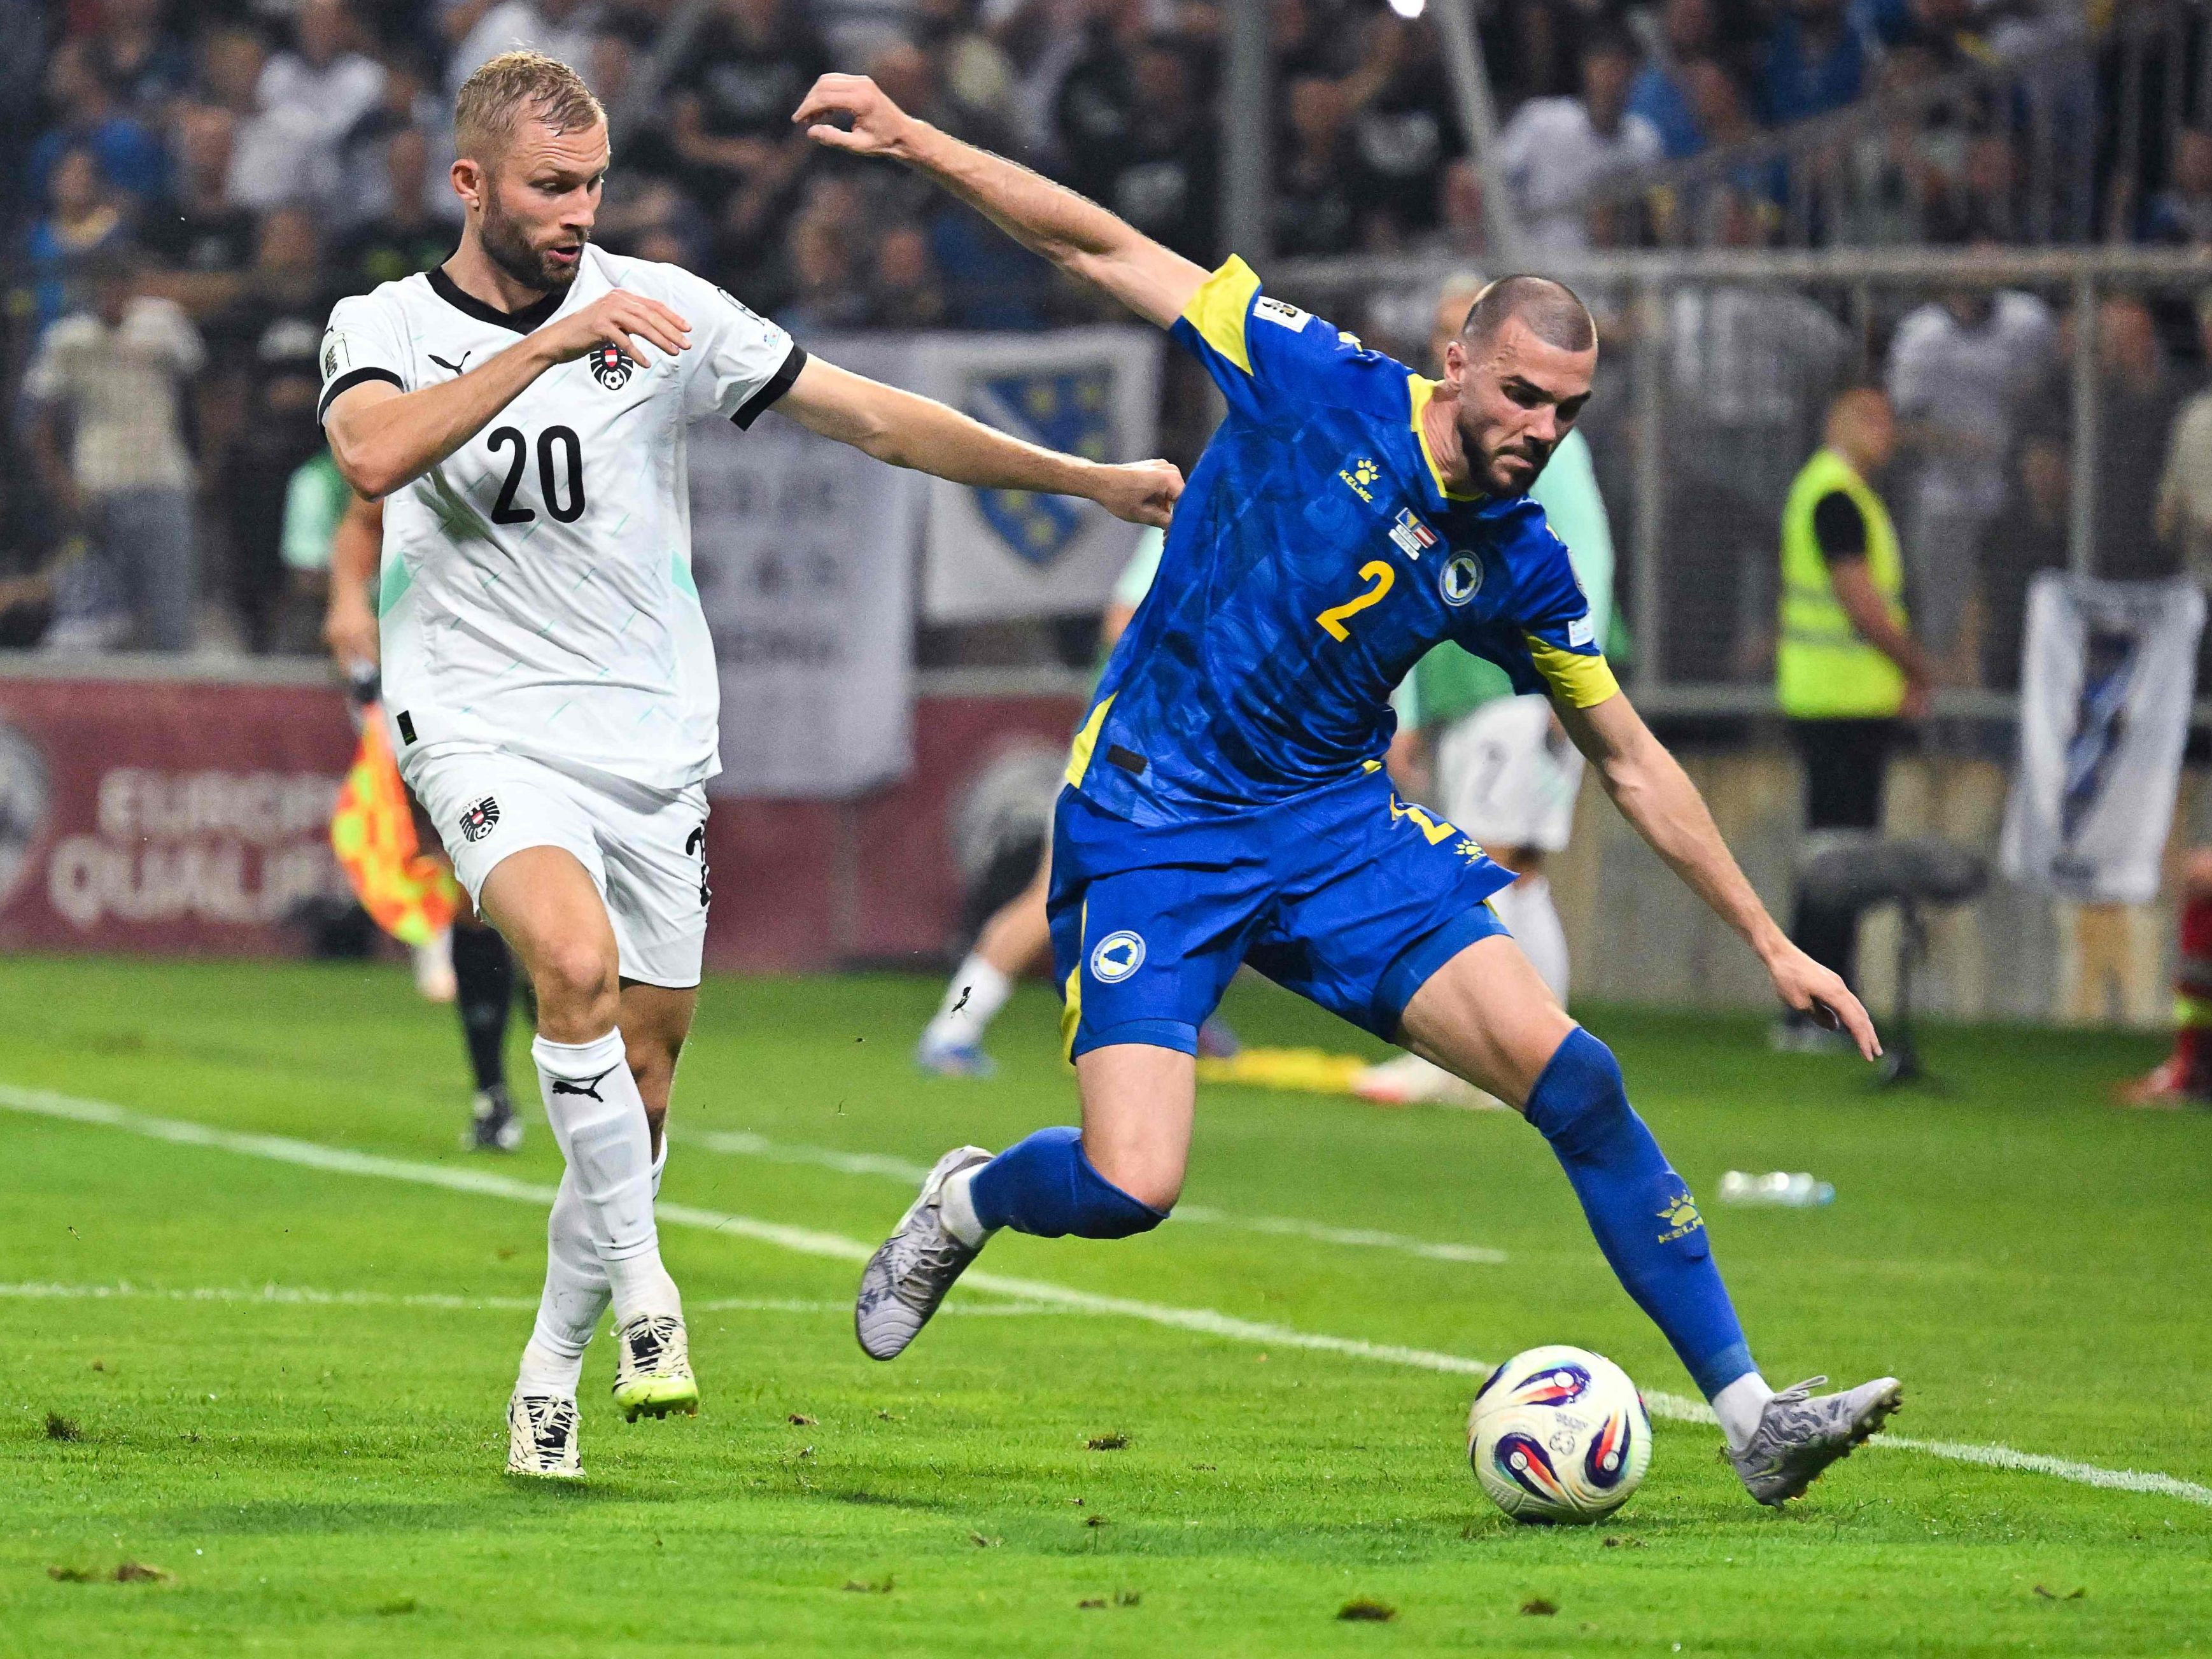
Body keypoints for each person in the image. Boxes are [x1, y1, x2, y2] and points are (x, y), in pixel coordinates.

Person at [801, 71, 1903, 1508]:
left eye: (1565, 413)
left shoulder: (1518, 559)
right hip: (1154, 819)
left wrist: (1767, 942)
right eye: (1518, 394)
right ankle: (966, 1197)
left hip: (1330, 829)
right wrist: (913, 140)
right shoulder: (1313, 378)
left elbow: (1624, 751)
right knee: (1132, 1186)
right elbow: (1099, 248)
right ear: (1457, 357)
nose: (1536, 431)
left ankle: (1753, 1416)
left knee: (1575, 1077)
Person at [317, 51, 1180, 1479]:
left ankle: (550, 1367)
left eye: (593, 185)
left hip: (650, 741)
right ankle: (652, 1293)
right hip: (479, 721)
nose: (577, 214)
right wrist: (538, 348)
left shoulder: (676, 314)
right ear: (467, 184)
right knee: (572, 969)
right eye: (548, 187)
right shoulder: (386, 322)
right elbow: (367, 452)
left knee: (640, 1083)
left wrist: (1081, 482)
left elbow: (880, 419)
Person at [1357, 279, 1621, 1106]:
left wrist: (1567, 684)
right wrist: (1404, 707)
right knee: (1513, 870)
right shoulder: (1436, 446)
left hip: (1517, 682)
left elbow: (1587, 556)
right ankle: (1531, 1053)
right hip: (1460, 687)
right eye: (1440, 331)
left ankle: (1480, 1054)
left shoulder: (1542, 442)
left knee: (1489, 863)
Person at [918, 528, 1239, 1075]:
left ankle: (1174, 1017)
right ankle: (952, 1027)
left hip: (1167, 757)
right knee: (1052, 895)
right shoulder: (1192, 527)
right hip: (1126, 753)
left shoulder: (1246, 540)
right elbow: (1121, 624)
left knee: (1177, 887)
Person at [325, 493, 529, 1143]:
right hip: (446, 698)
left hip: (544, 687)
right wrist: (349, 607)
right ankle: (491, 1092)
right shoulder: (424, 436)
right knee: (476, 893)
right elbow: (364, 518)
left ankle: (572, 1070)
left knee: (551, 919)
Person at [1773, 388, 1936, 1049]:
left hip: (1841, 700)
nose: (1887, 431)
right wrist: (1916, 664)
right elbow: (1860, 599)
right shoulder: (1835, 494)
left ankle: (1823, 1005)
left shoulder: (1839, 492)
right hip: (1837, 701)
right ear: (1838, 421)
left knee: (1837, 857)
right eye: (1872, 418)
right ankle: (1811, 1010)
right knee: (1835, 862)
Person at [25, 250, 204, 653]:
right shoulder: (67, 339)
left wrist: (205, 461)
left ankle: (170, 710)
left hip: (164, 480)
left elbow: (203, 394)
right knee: (96, 624)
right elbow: (38, 420)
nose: (113, 297)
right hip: (97, 488)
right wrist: (62, 485)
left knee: (170, 619)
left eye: (120, 287)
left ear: (132, 288)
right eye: (104, 289)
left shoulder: (165, 326)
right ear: (92, 292)